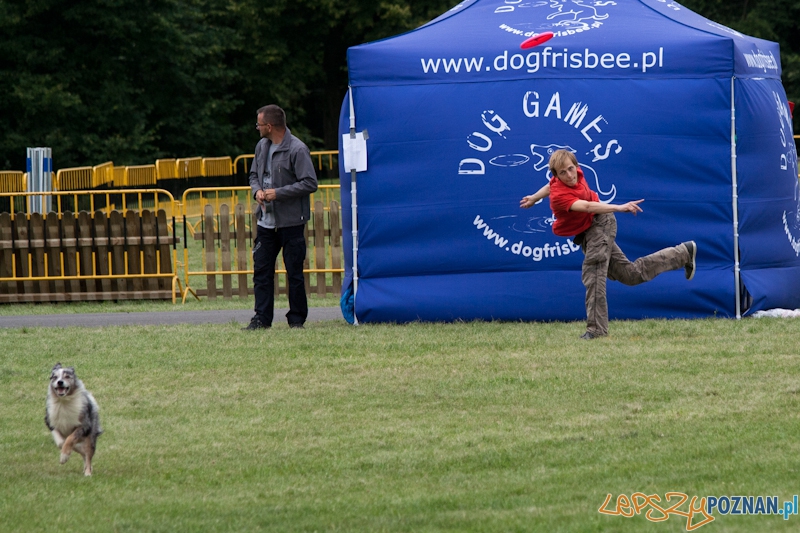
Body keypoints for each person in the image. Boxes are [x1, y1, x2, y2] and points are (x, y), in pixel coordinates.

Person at [520, 149, 696, 340]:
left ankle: (596, 330)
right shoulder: (559, 195)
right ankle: (683, 253)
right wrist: (535, 198)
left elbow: (588, 206)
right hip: (589, 229)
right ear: (556, 175)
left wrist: (619, 207)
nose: (570, 175)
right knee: (630, 275)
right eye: (563, 172)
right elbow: (551, 187)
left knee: (593, 272)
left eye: (571, 169)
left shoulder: (575, 174)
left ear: (576, 166)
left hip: (599, 223)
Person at [244, 105, 318, 330]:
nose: (257, 128)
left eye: (259, 124)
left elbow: (310, 183)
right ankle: (261, 319)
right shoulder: (261, 146)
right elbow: (253, 175)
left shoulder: (297, 149)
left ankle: (296, 319)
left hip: (291, 222)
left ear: (269, 126)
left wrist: (278, 193)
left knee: (294, 273)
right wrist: (257, 191)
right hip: (265, 222)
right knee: (261, 272)